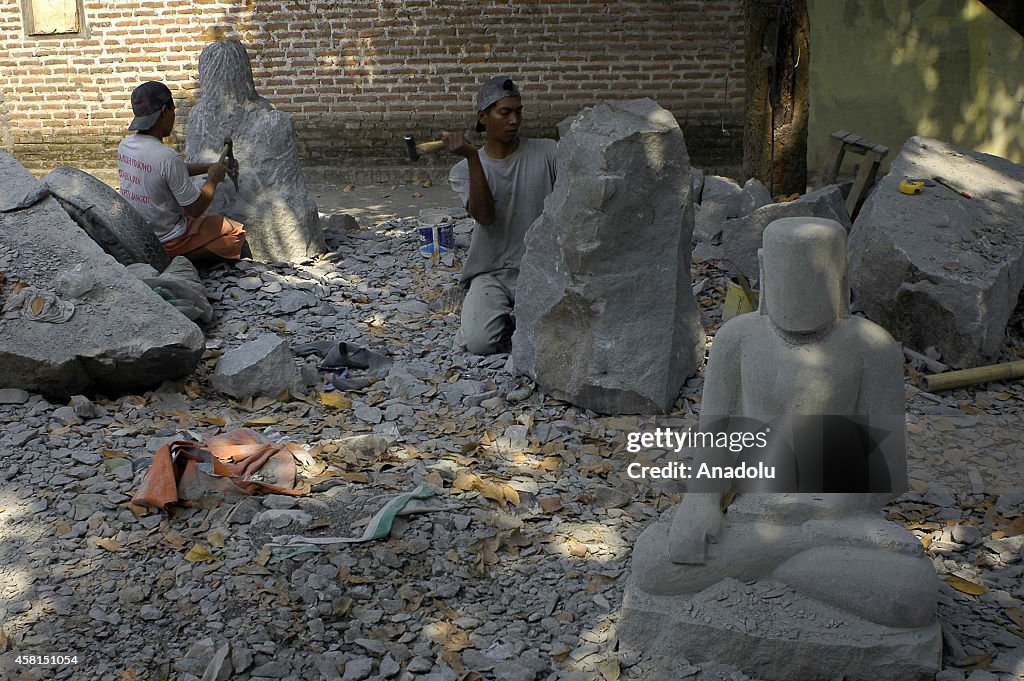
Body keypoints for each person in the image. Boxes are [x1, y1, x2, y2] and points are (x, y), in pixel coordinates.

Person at [445, 76, 557, 355]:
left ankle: (517, 320)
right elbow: (484, 216)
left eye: (518, 111)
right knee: (479, 343)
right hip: (491, 273)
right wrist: (472, 157)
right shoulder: (462, 171)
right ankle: (505, 318)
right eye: (504, 112)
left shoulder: (548, 153)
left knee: (558, 337)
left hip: (541, 269)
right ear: (483, 117)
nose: (514, 120)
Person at [117, 81, 248, 262]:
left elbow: (167, 172)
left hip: (140, 232)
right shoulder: (167, 157)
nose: (174, 117)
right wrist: (213, 179)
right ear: (165, 111)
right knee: (236, 233)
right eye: (173, 111)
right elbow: (195, 209)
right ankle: (171, 258)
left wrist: (208, 167)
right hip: (167, 238)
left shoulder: (126, 146)